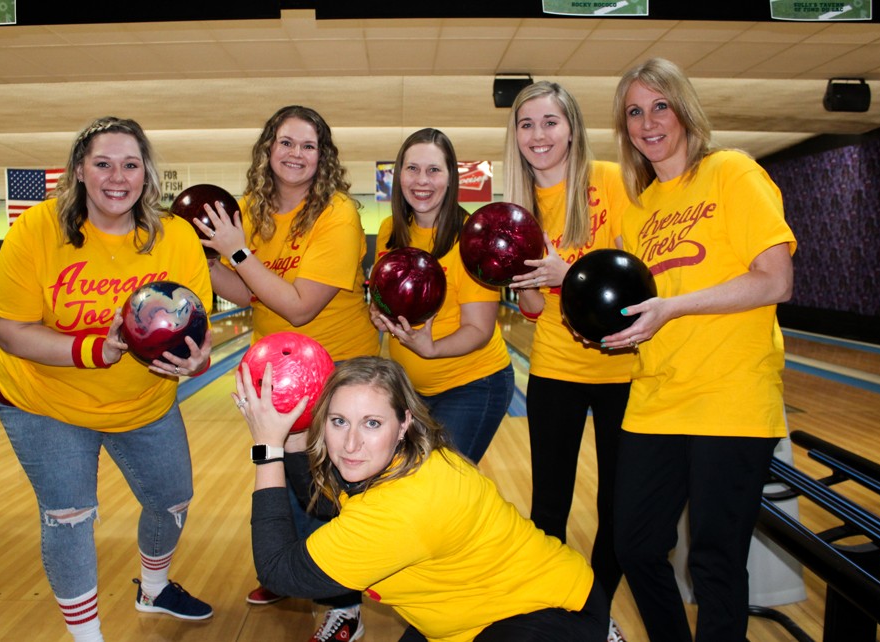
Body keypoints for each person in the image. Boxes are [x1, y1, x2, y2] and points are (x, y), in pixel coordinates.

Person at [0, 116, 214, 642]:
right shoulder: (37, 229)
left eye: (131, 164)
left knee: (173, 500)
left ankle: (154, 590)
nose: (118, 177)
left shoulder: (175, 238)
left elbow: (198, 336)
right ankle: (87, 637)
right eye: (103, 163)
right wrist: (99, 348)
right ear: (79, 171)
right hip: (45, 401)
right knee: (69, 516)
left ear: (147, 174)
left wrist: (195, 365)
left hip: (143, 403)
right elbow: (10, 330)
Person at [606, 57, 796, 642]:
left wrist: (673, 308)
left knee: (714, 561)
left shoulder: (732, 173)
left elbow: (774, 279)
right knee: (634, 546)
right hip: (657, 398)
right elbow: (645, 303)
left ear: (684, 110)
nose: (648, 122)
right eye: (634, 112)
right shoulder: (638, 210)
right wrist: (618, 327)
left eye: (659, 105)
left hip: (730, 396)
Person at [237, 355, 609, 642]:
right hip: (481, 608)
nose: (351, 444)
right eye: (338, 421)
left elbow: (279, 571)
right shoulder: (409, 457)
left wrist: (267, 450)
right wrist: (294, 440)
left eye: (371, 423)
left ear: (404, 424)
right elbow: (324, 502)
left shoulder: (401, 510)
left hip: (547, 613)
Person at [202, 105, 379, 640]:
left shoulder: (338, 213)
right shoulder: (250, 209)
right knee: (284, 476)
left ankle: (344, 604)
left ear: (322, 155)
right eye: (286, 142)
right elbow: (250, 290)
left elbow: (300, 306)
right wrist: (212, 264)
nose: (296, 154)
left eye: (308, 145)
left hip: (341, 373)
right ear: (268, 149)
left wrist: (236, 251)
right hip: (277, 374)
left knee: (328, 488)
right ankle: (294, 568)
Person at [502, 81, 634, 613]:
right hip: (557, 366)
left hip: (624, 367)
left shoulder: (610, 182)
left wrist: (570, 271)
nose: (539, 135)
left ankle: (596, 607)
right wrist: (531, 281)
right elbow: (532, 309)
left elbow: (633, 275)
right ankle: (552, 605)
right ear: (515, 134)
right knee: (549, 503)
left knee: (618, 506)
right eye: (527, 124)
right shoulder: (517, 209)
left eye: (550, 122)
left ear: (572, 128)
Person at [371, 128, 514, 463]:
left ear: (451, 178)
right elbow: (385, 299)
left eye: (434, 170)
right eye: (413, 168)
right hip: (410, 391)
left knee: (443, 485)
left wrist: (431, 349)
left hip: (474, 384)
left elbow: (479, 330)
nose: (423, 180)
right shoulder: (390, 231)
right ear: (399, 175)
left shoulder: (472, 239)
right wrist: (378, 315)